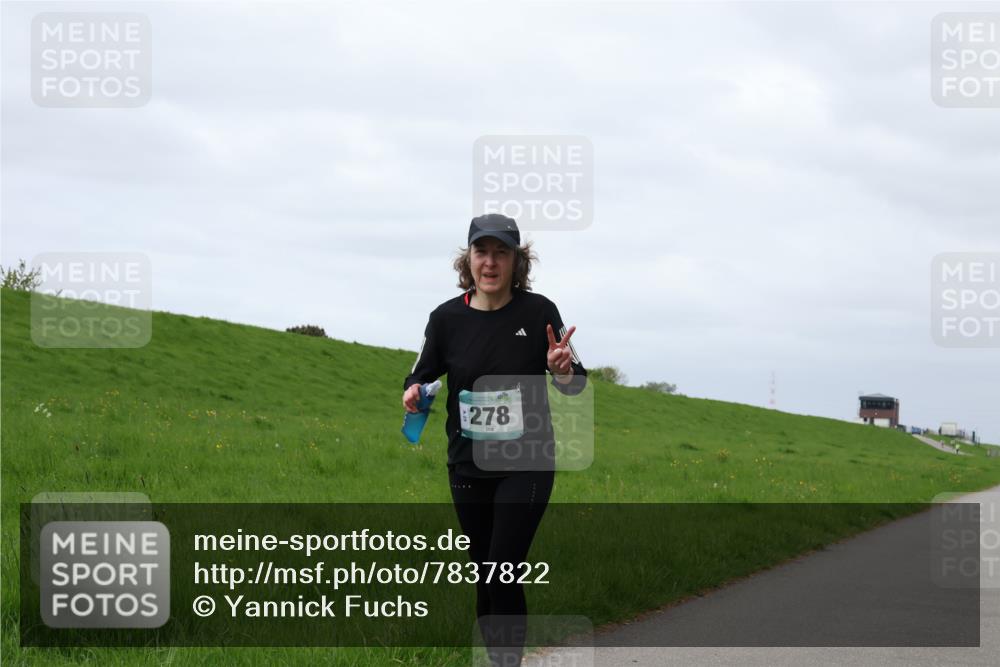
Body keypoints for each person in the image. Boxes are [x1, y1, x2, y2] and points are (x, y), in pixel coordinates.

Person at [401, 213, 587, 666]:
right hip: (467, 464)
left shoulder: (540, 312)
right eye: (481, 252)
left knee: (502, 569)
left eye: (500, 252)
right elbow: (421, 375)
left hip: (528, 463)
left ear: (516, 261)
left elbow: (575, 380)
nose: (490, 262)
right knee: (486, 572)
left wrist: (562, 369)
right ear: (468, 260)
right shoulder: (444, 319)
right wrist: (412, 392)